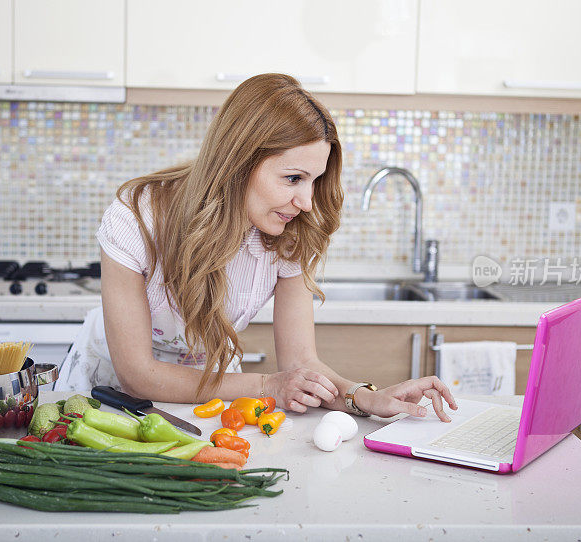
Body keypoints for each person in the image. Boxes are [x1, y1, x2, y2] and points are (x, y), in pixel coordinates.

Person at [56, 73, 457, 421]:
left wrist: (366, 397)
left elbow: (301, 365)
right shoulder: (137, 218)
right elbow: (137, 374)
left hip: (212, 394)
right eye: (293, 178)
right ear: (239, 163)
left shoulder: (289, 233)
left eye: (313, 180)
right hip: (107, 395)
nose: (307, 202)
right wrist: (268, 385)